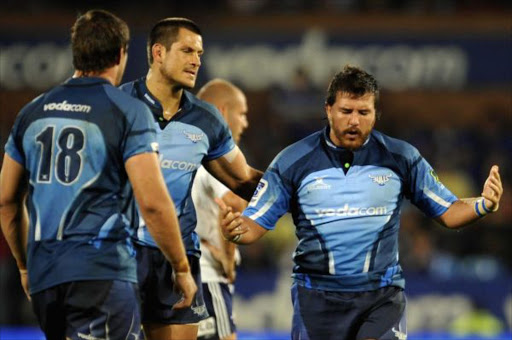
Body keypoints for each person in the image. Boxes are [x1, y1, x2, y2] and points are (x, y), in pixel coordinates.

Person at [218, 65, 503, 340]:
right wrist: (236, 230)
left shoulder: (401, 158)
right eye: (346, 111)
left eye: (363, 112)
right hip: (316, 299)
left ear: (375, 114)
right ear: (328, 110)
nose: (355, 120)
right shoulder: (293, 161)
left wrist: (483, 204)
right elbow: (255, 223)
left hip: (380, 296)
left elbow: (449, 212)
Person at [0, 10, 196, 340]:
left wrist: (23, 266)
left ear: (76, 52)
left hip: (46, 276)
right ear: (122, 54)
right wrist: (181, 267)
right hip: (100, 272)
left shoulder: (32, 111)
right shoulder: (127, 111)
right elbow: (152, 203)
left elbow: (6, 201)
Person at [119, 18, 262, 340]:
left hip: (178, 256)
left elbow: (243, 179)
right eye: (186, 50)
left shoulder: (206, 119)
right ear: (158, 52)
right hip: (121, 253)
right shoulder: (120, 106)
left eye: (199, 52)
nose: (196, 60)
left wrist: (299, 189)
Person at [193, 79, 250, 340]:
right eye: (242, 114)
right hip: (208, 275)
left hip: (176, 271)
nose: (245, 123)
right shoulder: (215, 151)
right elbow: (233, 202)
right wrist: (228, 259)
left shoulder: (184, 144)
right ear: (224, 112)